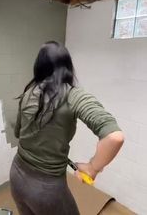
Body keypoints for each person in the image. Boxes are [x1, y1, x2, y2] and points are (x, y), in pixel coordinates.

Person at [10, 41, 124, 215]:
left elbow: (18, 133)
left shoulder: (28, 92)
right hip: (46, 188)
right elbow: (114, 137)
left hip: (17, 175)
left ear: (39, 66)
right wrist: (92, 168)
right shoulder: (73, 95)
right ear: (67, 66)